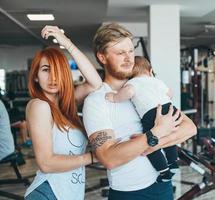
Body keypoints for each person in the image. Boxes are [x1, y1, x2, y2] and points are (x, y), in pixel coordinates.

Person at [83, 23, 197, 200]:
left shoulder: (146, 88)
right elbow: (108, 158)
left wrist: (154, 143)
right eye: (120, 53)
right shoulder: (97, 101)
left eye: (130, 51)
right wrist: (156, 132)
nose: (128, 58)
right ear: (102, 57)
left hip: (162, 185)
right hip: (130, 193)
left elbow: (189, 128)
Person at [24, 25, 102, 200]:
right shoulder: (39, 106)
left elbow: (96, 83)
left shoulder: (66, 105)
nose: (53, 77)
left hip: (69, 193)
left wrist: (66, 43)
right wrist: (92, 157)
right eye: (46, 69)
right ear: (35, 76)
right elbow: (46, 163)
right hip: (47, 193)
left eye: (58, 71)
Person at [105, 56, 180, 182]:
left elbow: (128, 93)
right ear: (150, 71)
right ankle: (173, 162)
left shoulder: (132, 83)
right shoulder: (157, 81)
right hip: (170, 109)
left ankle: (164, 172)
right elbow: (170, 93)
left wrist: (115, 97)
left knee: (148, 144)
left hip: (151, 114)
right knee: (169, 138)